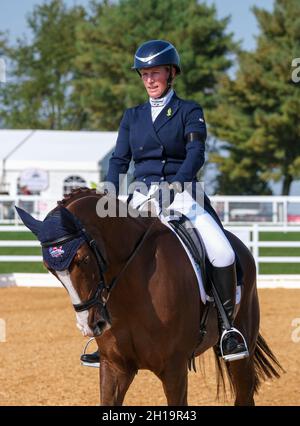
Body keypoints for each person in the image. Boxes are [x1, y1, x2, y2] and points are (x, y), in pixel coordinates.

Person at [81, 40, 249, 367]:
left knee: (222, 250)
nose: (149, 79)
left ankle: (228, 329)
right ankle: (100, 330)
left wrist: (175, 186)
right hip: (140, 194)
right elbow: (119, 160)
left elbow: (195, 154)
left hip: (183, 191)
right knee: (105, 248)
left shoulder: (189, 111)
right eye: (144, 74)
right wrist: (108, 196)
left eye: (154, 72)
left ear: (171, 73)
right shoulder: (133, 116)